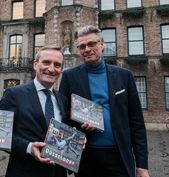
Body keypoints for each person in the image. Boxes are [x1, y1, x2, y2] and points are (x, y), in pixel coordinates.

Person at [59, 25, 150, 177]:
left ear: (102, 45)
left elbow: (137, 123)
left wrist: (142, 165)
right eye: (82, 46)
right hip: (86, 155)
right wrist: (78, 122)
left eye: (92, 44)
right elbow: (63, 113)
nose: (87, 49)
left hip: (119, 154)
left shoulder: (124, 76)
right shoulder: (70, 76)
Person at [0, 46, 68, 177]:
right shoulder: (14, 94)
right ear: (35, 65)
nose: (51, 69)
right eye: (46, 62)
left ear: (61, 69)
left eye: (57, 65)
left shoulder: (62, 99)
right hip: (25, 171)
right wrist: (29, 147)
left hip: (57, 172)